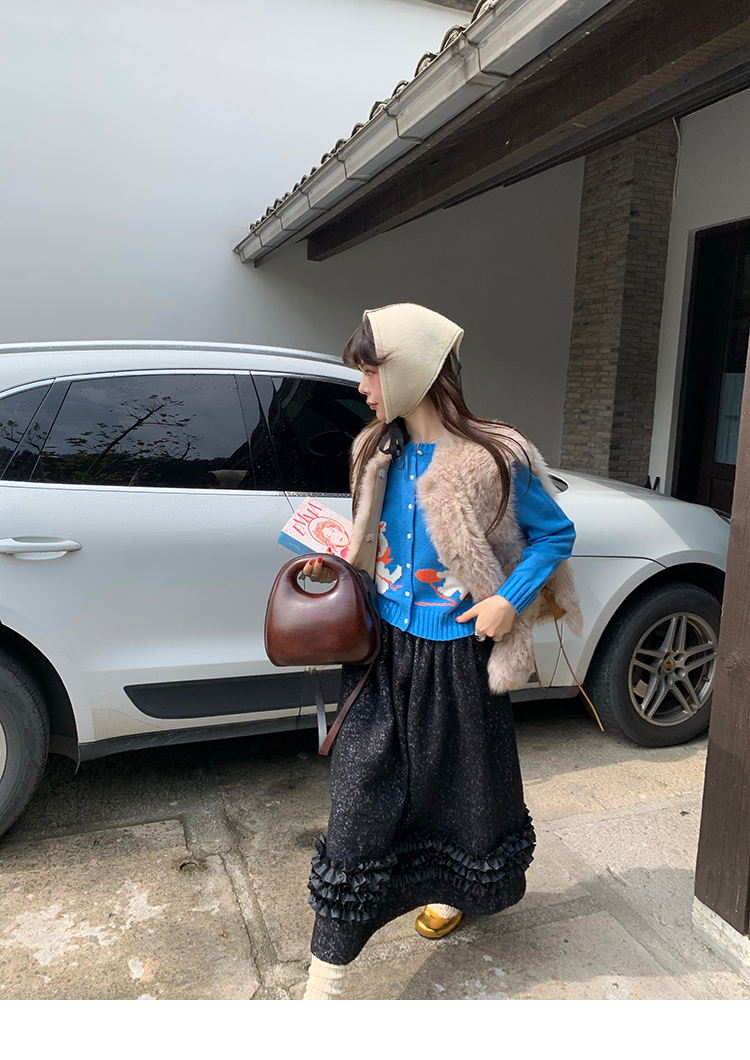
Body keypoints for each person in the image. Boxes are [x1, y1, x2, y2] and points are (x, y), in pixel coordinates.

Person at [301, 303, 582, 1000]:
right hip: (381, 655)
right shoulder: (374, 452)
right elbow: (367, 546)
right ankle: (324, 985)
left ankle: (449, 890)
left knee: (461, 795)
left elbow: (555, 534)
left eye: (370, 371)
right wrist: (334, 559)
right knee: (358, 806)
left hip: (459, 656)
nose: (361, 387)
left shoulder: (494, 456)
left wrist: (508, 599)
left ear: (411, 369)